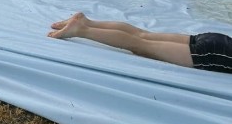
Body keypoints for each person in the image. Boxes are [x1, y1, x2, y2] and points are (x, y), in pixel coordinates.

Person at [48, 12, 232, 74]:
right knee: (139, 45)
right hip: (212, 52)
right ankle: (81, 30)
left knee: (142, 35)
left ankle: (85, 22)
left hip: (216, 41)